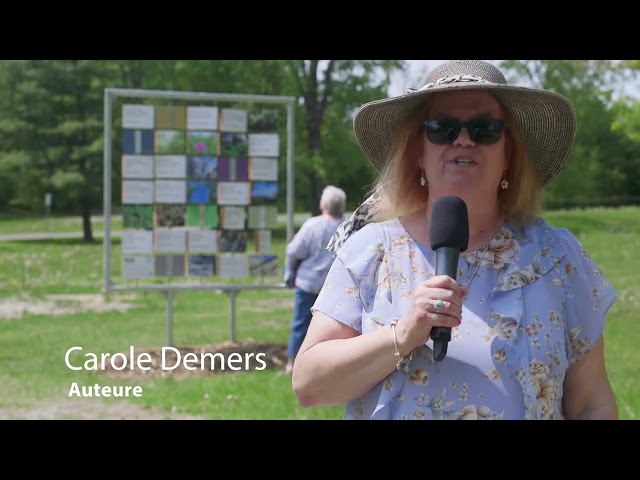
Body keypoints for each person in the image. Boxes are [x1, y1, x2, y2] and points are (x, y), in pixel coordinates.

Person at [291, 60, 619, 420]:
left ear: (510, 153)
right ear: (418, 151)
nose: (463, 139)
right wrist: (402, 334)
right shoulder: (371, 252)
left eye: (484, 129)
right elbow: (309, 385)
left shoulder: (558, 256)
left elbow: (591, 403)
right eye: (442, 128)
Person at [281, 185, 347, 374]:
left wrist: (289, 274)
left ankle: (292, 364)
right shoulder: (347, 227)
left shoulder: (312, 225)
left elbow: (293, 251)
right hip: (335, 286)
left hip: (308, 284)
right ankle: (328, 367)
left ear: (323, 204)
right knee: (333, 329)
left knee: (301, 324)